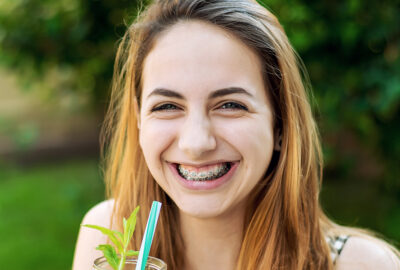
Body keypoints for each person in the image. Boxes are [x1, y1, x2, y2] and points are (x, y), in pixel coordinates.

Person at [72, 0, 400, 269]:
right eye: (168, 106)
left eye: (230, 104)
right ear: (139, 118)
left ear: (281, 124)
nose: (196, 143)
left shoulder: (362, 265)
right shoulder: (109, 239)